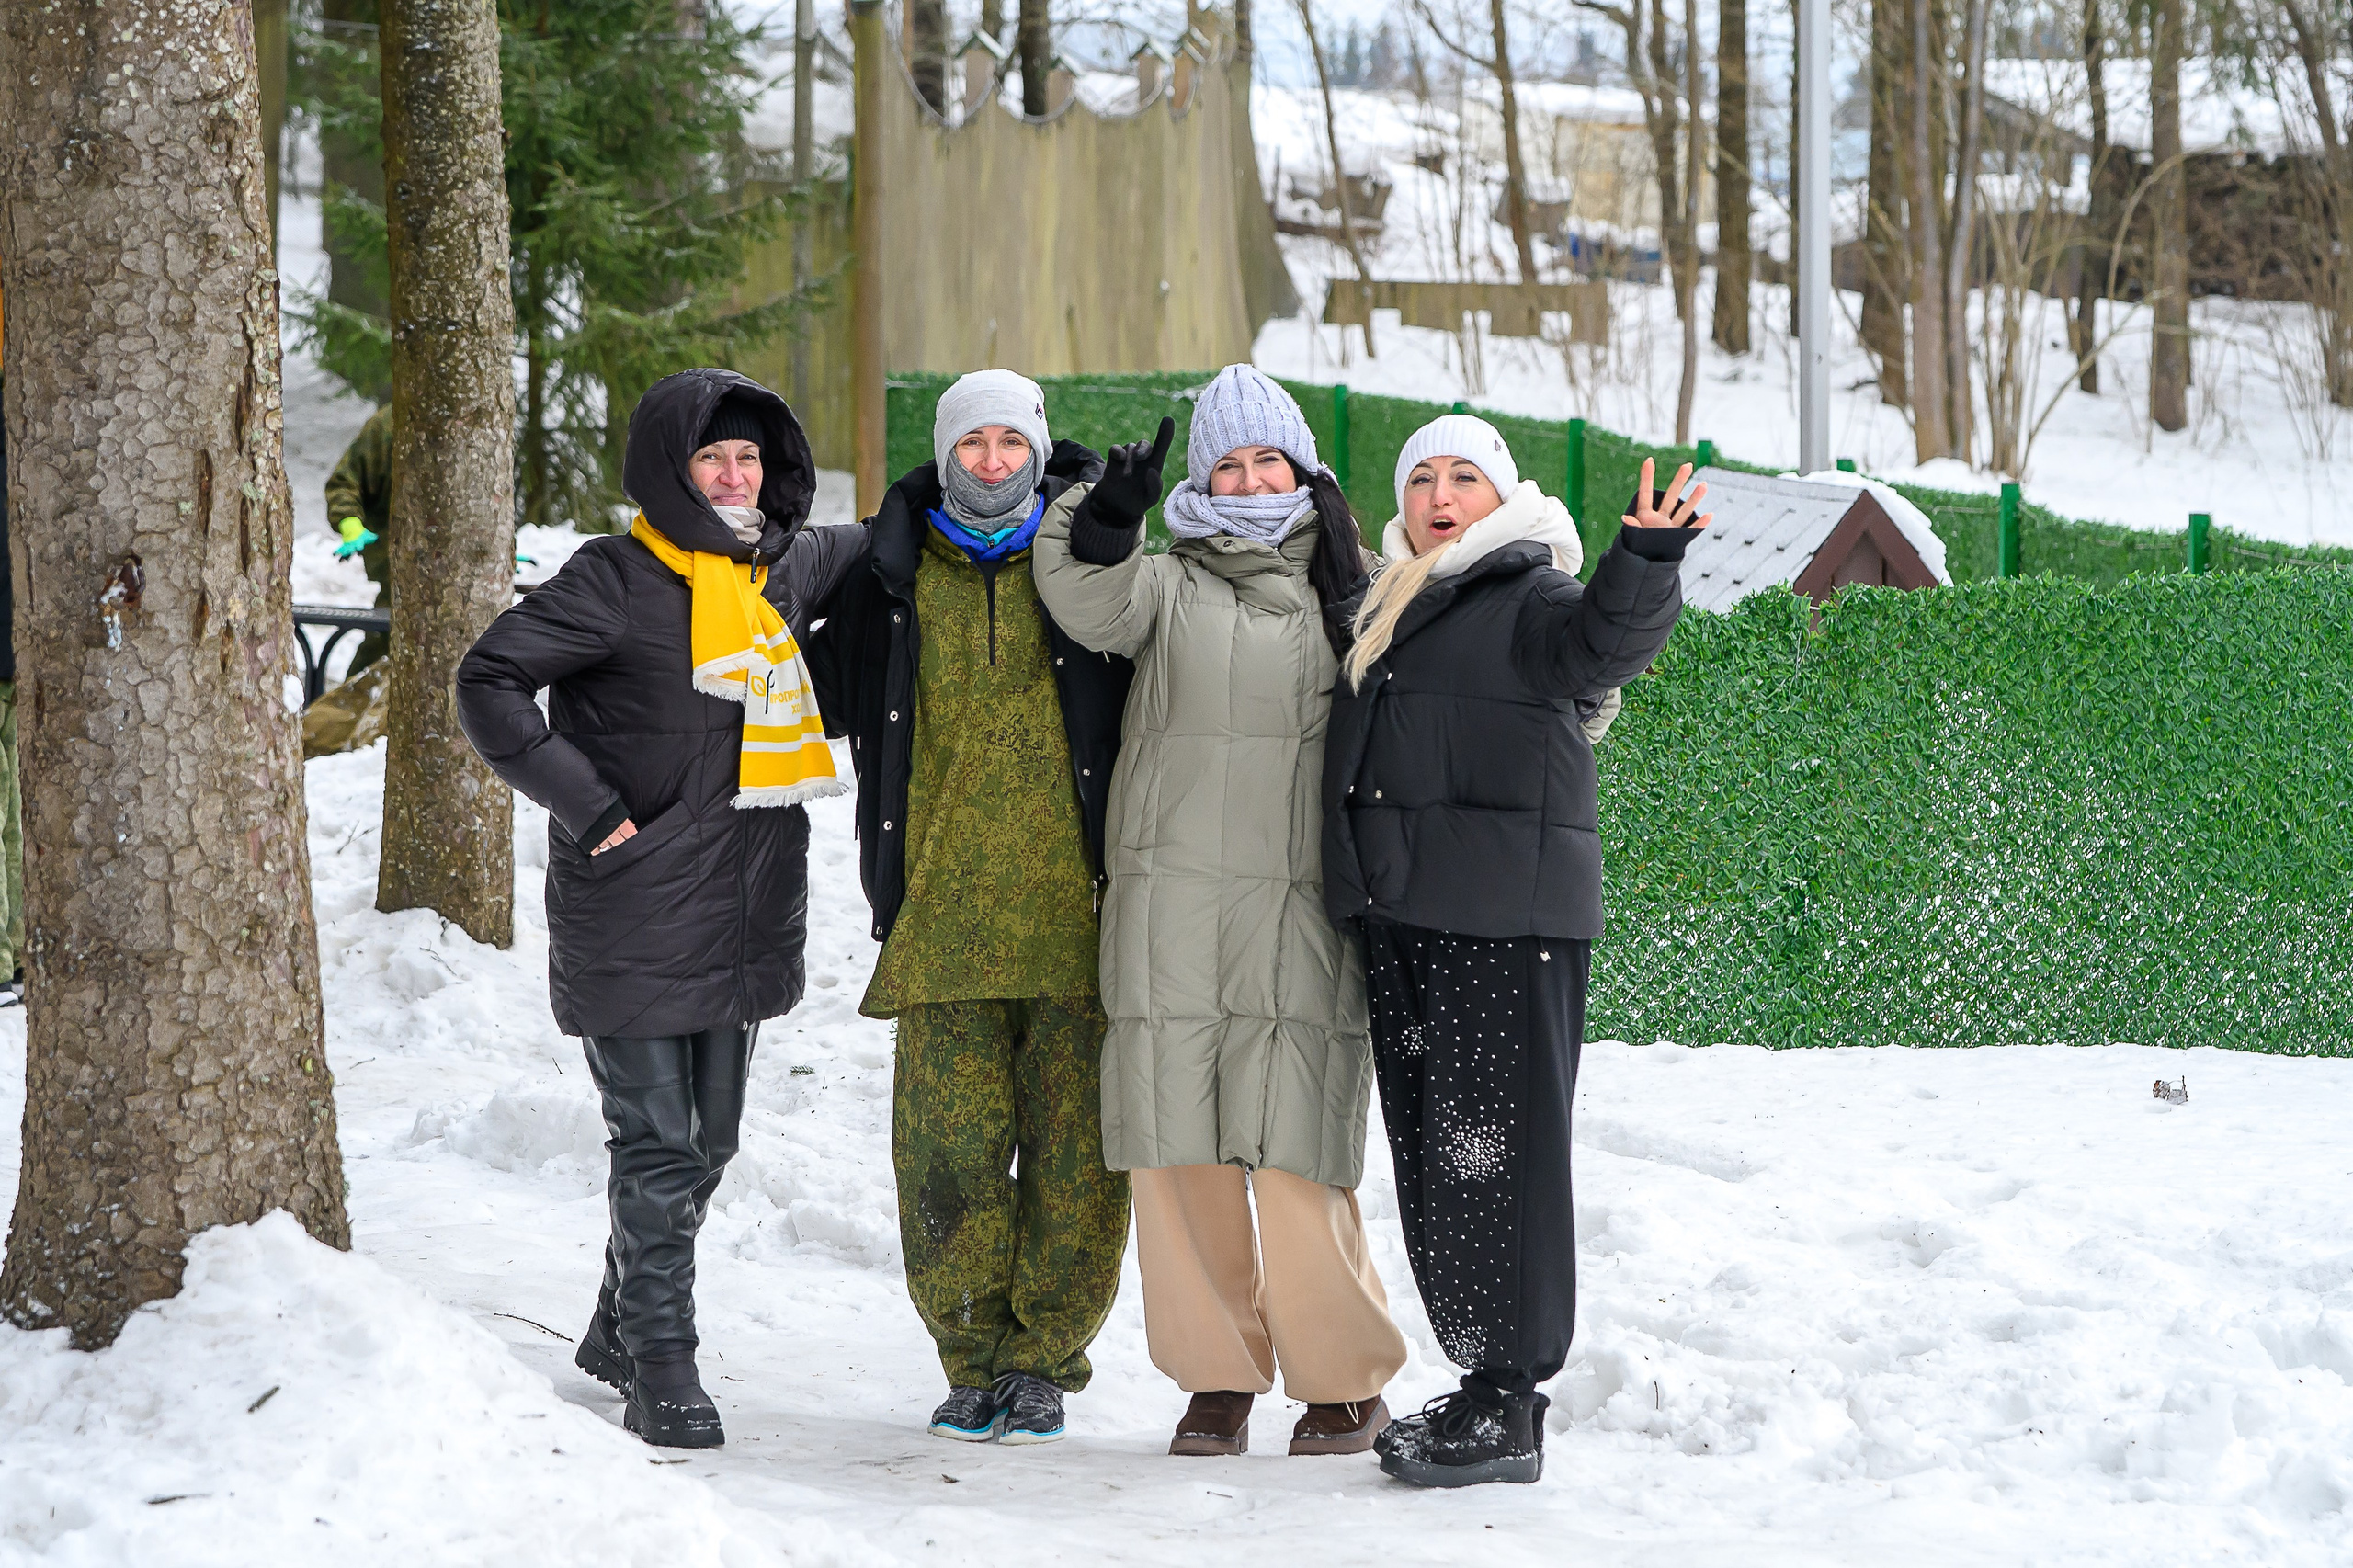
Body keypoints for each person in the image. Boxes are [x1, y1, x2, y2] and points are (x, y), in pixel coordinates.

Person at [455, 369, 862, 1450]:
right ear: (669, 470)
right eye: (710, 458)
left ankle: (617, 1323)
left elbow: (886, 534)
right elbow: (489, 679)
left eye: (749, 458)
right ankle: (662, 1362)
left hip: (743, 906)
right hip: (634, 902)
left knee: (709, 1140)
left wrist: (1049, 490)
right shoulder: (614, 577)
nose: (734, 476)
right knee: (660, 1143)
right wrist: (589, 806)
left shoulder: (781, 567)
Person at [1321, 416, 1709, 1488]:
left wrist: (1645, 557)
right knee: (1440, 1163)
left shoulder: (1530, 592)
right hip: (1408, 918)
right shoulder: (1392, 601)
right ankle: (1481, 1380)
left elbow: (1603, 644)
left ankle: (1513, 1401)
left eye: (1465, 476)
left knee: (1504, 1164)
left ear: (1502, 496)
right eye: (1421, 477)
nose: (1441, 494)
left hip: (1506, 923)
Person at [1033, 364, 1406, 1460]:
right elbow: (1081, 593)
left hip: (1304, 907)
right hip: (1173, 900)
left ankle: (1343, 1381)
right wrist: (1108, 512)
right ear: (1199, 482)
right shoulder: (1162, 581)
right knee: (1178, 1145)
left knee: (1296, 1151)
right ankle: (1215, 1377)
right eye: (1227, 465)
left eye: (1266, 460)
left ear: (1303, 470)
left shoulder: (1365, 591)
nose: (1248, 482)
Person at [804, 369, 1132, 1448]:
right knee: (944, 1158)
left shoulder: (1091, 565)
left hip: (1079, 921)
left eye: (1010, 443)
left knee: (1078, 1161)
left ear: (1038, 449)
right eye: (972, 444)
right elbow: (804, 688)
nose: (992, 463)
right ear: (944, 453)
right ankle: (970, 1357)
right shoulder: (889, 574)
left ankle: (1043, 1362)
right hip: (941, 922)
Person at [323, 403, 393, 676]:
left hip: (465, 578)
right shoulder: (390, 424)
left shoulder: (483, 418)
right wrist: (349, 521)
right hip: (399, 572)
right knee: (379, 659)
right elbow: (345, 482)